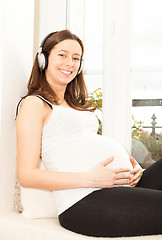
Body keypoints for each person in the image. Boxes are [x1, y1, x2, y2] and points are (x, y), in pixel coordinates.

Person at [16, 29, 162, 238]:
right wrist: (91, 179)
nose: (70, 63)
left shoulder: (75, 106)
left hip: (119, 188)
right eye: (62, 55)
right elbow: (27, 175)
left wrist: (134, 169)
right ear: (43, 59)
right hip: (84, 201)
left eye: (76, 58)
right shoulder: (34, 104)